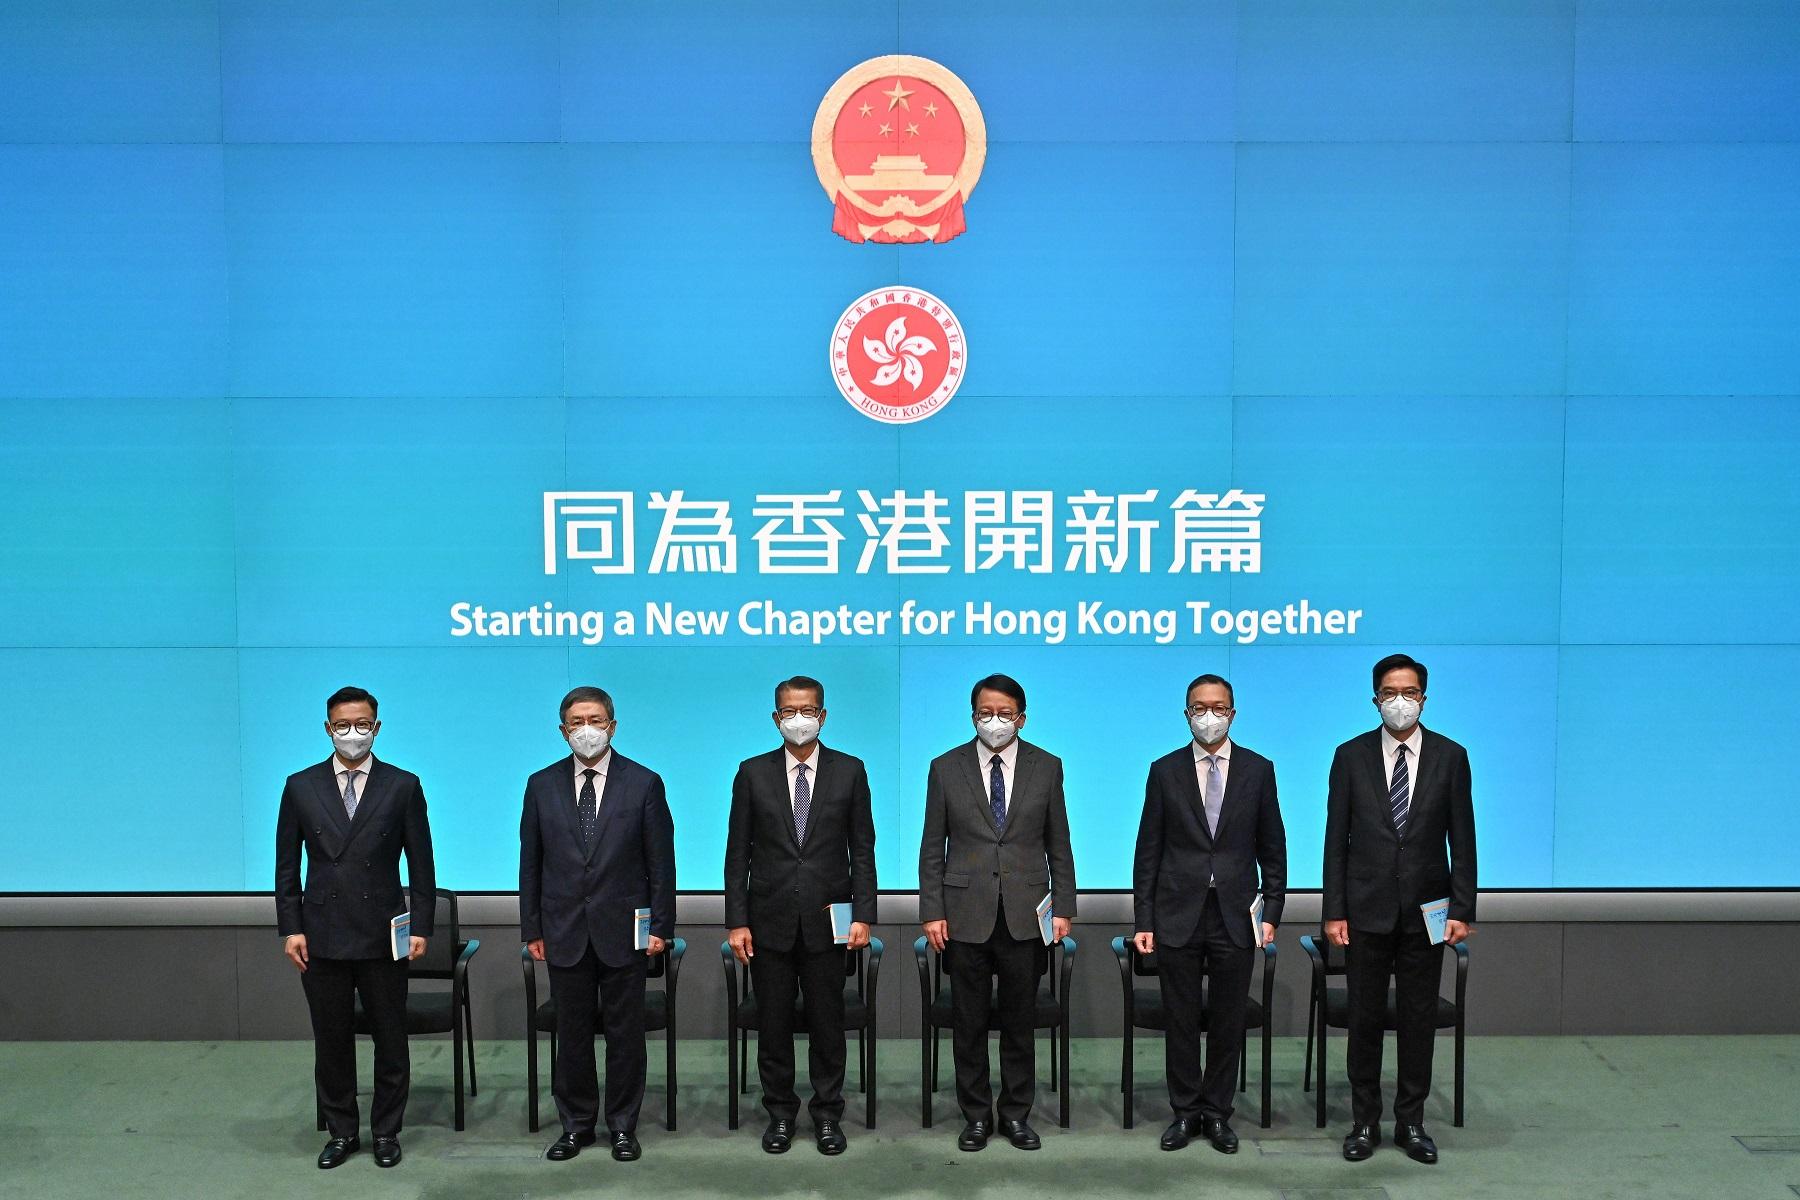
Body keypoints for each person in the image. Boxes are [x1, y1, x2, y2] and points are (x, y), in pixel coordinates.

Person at [1323, 653, 1477, 1165]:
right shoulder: (1350, 756)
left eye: (1409, 693)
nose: (1400, 702)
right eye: (1390, 693)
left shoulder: (1451, 757)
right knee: (1364, 1021)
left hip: (1428, 913)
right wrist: (1334, 910)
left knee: (1417, 1021)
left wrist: (1462, 908)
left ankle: (1411, 1121)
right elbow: (1336, 842)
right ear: (1375, 700)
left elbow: (1463, 841)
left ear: (1424, 699)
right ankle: (1364, 1122)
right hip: (1364, 913)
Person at [275, 685, 435, 1170]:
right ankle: (342, 1131)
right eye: (343, 725)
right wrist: (291, 928)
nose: (353, 733)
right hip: (321, 932)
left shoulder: (402, 785)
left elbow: (421, 865)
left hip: (384, 931)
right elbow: (287, 866)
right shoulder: (300, 785)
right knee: (332, 1040)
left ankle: (386, 1131)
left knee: (391, 1038)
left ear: (377, 727)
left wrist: (421, 926)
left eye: (362, 724)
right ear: (328, 728)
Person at [918, 673, 1076, 1152]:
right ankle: (975, 1117)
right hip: (964, 915)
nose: (994, 721)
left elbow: (1059, 843)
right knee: (967, 1024)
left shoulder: (1047, 766)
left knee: (1019, 1023)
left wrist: (1064, 906)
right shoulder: (945, 767)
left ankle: (1015, 1115)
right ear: (973, 716)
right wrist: (932, 910)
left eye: (1004, 714)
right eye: (985, 713)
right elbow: (932, 847)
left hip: (1027, 915)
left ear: (1021, 718)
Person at [1131, 673, 1287, 1154]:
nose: (1209, 716)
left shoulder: (1259, 770)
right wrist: (1144, 920)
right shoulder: (1164, 771)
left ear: (1233, 714)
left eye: (1218, 707)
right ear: (1186, 715)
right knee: (1179, 1019)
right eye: (1199, 708)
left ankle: (1217, 1113)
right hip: (1177, 913)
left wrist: (1272, 911)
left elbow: (1273, 849)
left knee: (1227, 1020)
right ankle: (1185, 1111)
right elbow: (1148, 852)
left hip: (1236, 915)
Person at [520, 686, 676, 1163]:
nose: (586, 729)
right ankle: (576, 1125)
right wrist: (532, 929)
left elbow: (661, 864)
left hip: (625, 932)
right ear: (562, 730)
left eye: (595, 720)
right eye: (576, 722)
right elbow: (531, 864)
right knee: (572, 1035)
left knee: (625, 1035)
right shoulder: (541, 785)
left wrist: (661, 926)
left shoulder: (644, 783)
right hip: (563, 930)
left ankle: (623, 1125)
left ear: (612, 725)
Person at [724, 675, 878, 1155]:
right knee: (773, 1026)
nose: (798, 719)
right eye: (789, 711)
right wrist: (737, 920)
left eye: (807, 710)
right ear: (776, 718)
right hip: (767, 923)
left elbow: (863, 850)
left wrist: (863, 914)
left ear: (823, 716)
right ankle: (780, 1115)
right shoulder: (752, 773)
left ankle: (828, 1115)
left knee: (827, 1025)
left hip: (830, 923)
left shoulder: (850, 771)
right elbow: (737, 854)